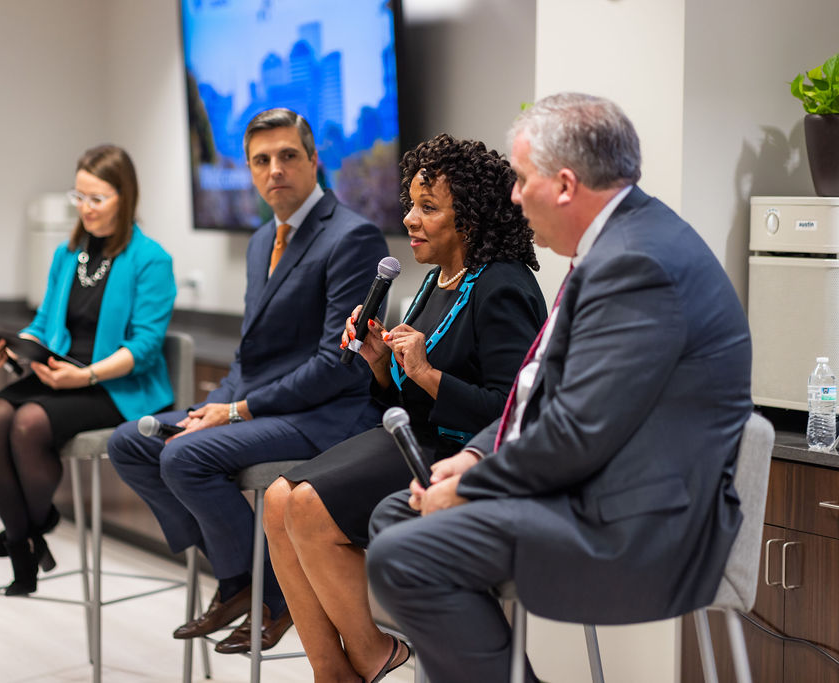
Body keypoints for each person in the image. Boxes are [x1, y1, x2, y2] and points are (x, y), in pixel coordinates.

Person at [366, 93, 753, 682]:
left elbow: (579, 431)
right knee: (400, 514)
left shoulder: (636, 265)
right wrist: (474, 455)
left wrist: (477, 479)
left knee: (404, 550)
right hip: (602, 487)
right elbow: (533, 392)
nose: (514, 197)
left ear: (566, 185)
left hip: (643, 525)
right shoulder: (616, 246)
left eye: (523, 180)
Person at [262, 134, 545, 683]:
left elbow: (510, 411)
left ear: (471, 219)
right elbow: (404, 399)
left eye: (428, 209)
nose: (411, 220)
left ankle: (370, 654)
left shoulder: (503, 286)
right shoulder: (432, 281)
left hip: (457, 454)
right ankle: (331, 672)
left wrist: (426, 373)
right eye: (411, 205)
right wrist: (379, 363)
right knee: (278, 499)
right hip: (413, 435)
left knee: (309, 508)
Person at [106, 108, 388, 653]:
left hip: (325, 416)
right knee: (133, 441)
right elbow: (249, 353)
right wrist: (215, 405)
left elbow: (338, 362)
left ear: (313, 159)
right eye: (261, 160)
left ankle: (259, 587)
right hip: (262, 407)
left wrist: (235, 412)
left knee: (183, 457)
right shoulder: (262, 240)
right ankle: (247, 579)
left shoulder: (353, 237)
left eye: (287, 156)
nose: (274, 169)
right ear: (250, 170)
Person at [0, 144, 176, 596]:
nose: (85, 208)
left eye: (97, 198)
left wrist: (85, 376)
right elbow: (45, 324)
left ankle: (25, 531)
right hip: (60, 374)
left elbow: (144, 348)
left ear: (125, 198)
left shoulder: (151, 259)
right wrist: (14, 352)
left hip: (114, 386)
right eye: (79, 197)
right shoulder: (69, 254)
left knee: (28, 422)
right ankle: (30, 533)